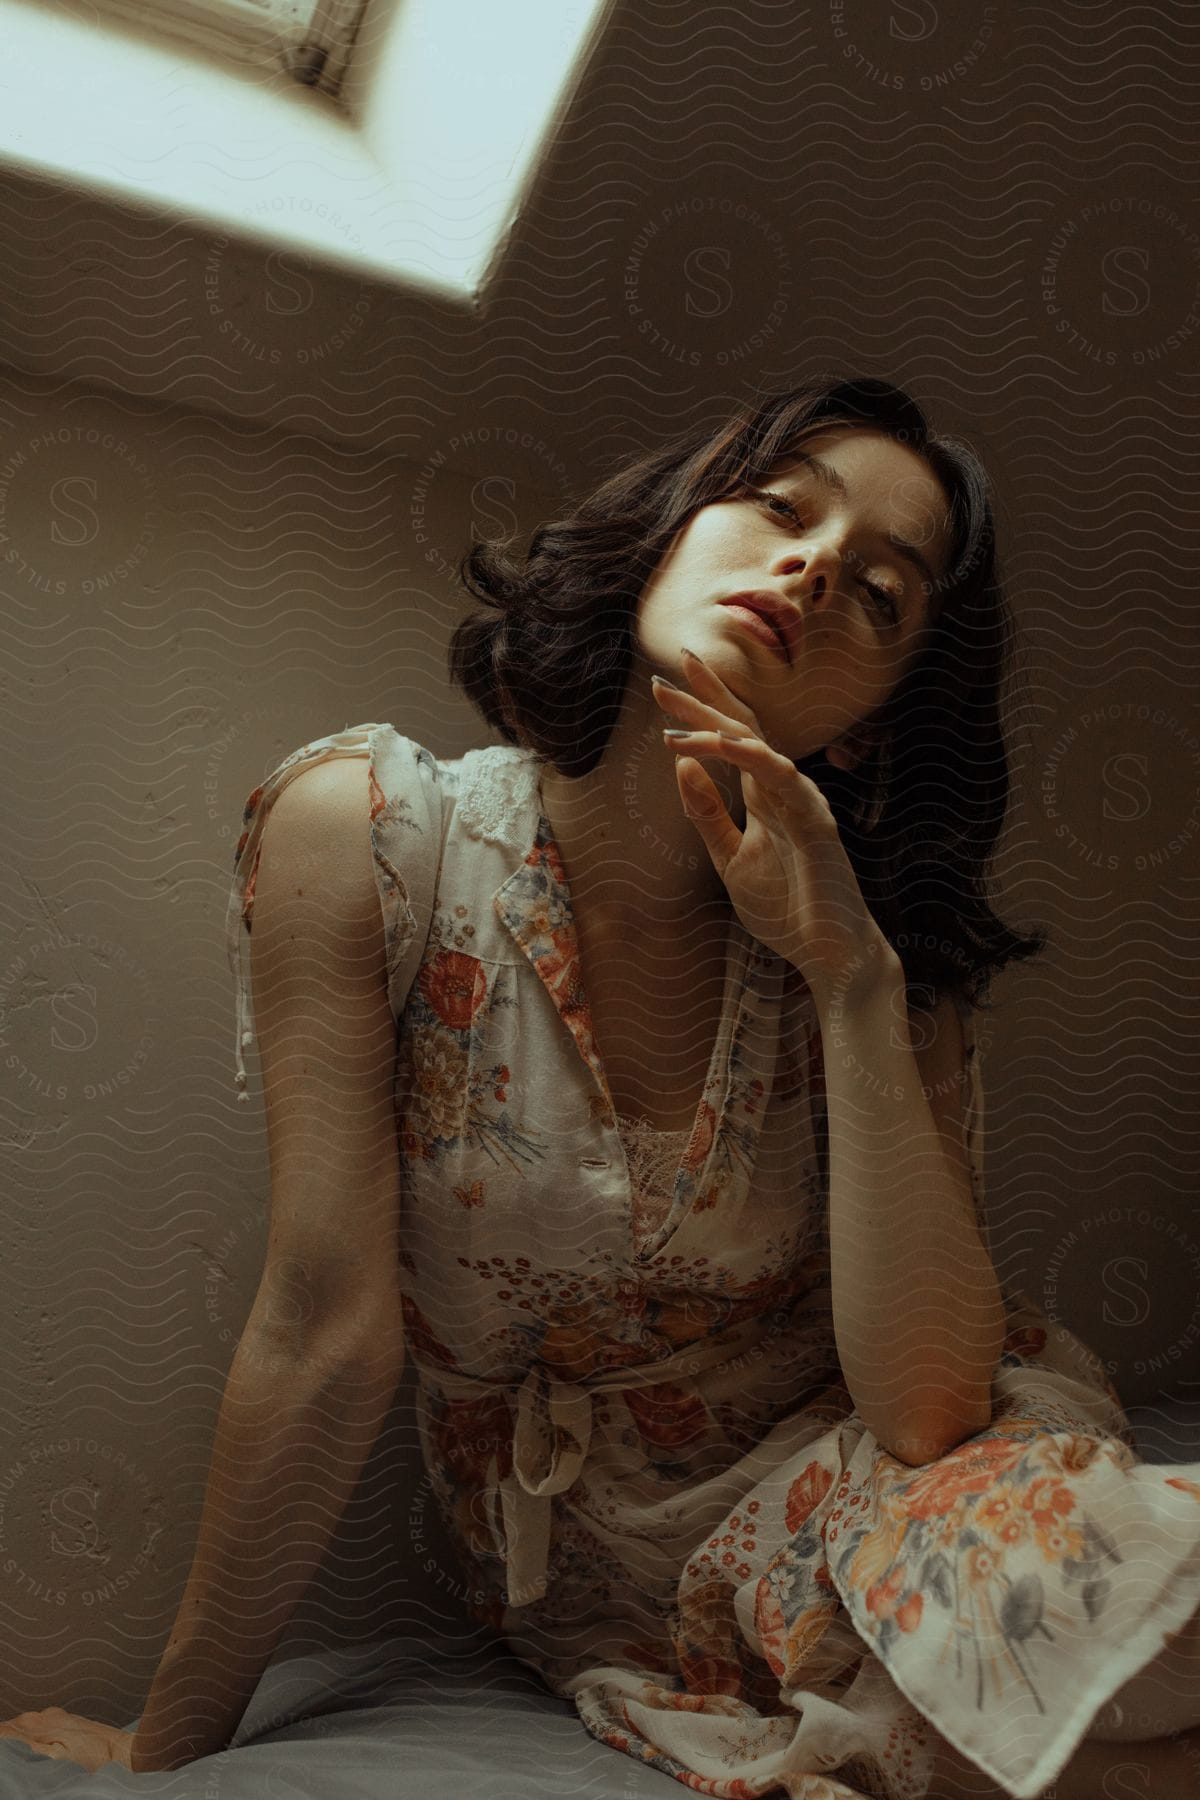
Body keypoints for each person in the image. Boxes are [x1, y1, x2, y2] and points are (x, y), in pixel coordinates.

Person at [201, 376, 1200, 1795]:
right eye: (780, 506)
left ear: (866, 723)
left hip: (924, 1478)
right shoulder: (372, 837)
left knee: (1058, 1599)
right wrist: (163, 1746)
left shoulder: (883, 956)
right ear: (671, 531)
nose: (809, 566)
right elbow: (325, 1327)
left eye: (880, 594)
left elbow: (926, 1415)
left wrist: (847, 970)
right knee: (1004, 1735)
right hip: (610, 1569)